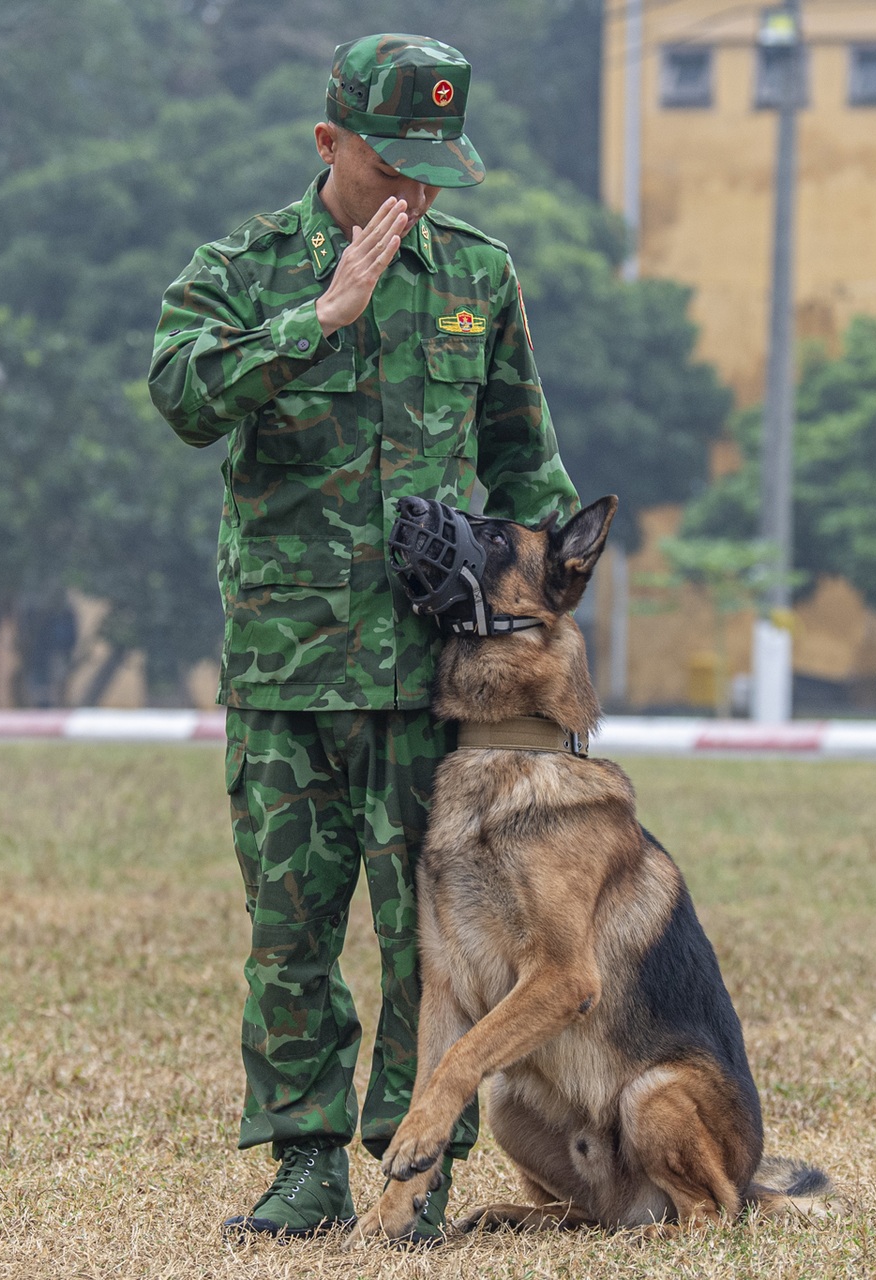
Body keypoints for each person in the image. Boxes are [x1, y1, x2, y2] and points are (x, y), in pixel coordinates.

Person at [147, 33, 577, 1238]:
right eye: (394, 167)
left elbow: (526, 469)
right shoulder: (247, 267)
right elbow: (179, 394)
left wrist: (537, 645)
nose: (416, 193)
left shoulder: (477, 279)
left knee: (429, 940)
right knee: (289, 933)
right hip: (287, 675)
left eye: (436, 169)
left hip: (431, 683)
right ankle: (299, 1167)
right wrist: (318, 318)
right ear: (329, 142)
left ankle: (417, 1166)